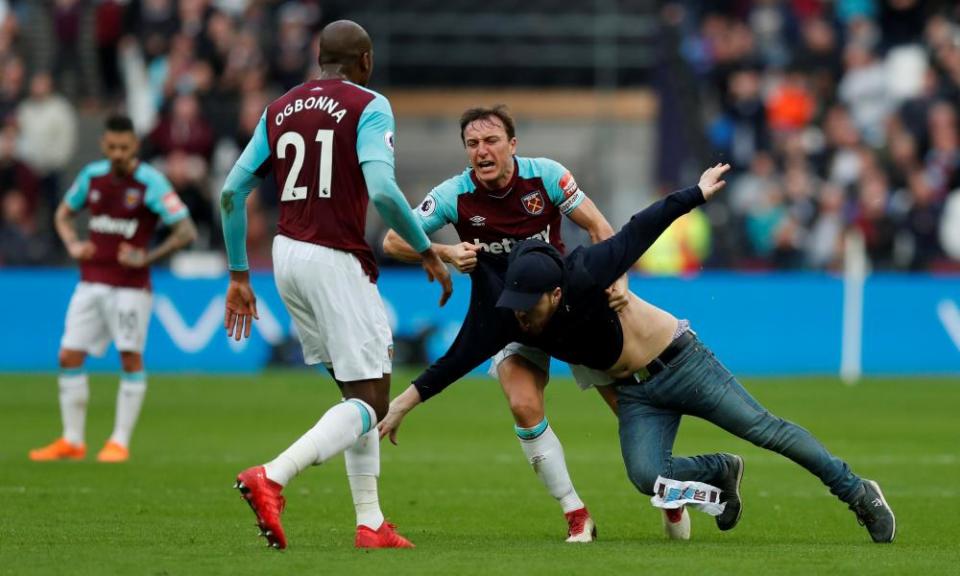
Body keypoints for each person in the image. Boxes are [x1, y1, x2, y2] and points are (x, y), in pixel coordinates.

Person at [382, 164, 896, 544]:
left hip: (683, 363)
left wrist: (695, 192)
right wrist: (404, 403)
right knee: (648, 478)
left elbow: (640, 228)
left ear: (556, 293)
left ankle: (857, 491)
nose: (519, 316)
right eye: (514, 305)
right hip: (637, 394)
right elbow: (456, 360)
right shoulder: (507, 312)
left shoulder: (585, 273)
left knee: (768, 430)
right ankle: (720, 469)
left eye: (528, 306)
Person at [220, 20, 452, 551]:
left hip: (286, 256)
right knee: (372, 399)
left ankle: (370, 523)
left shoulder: (278, 108)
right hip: (334, 258)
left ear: (318, 58)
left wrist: (238, 272)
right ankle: (272, 477)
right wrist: (426, 248)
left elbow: (233, 191)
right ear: (365, 60)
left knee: (355, 391)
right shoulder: (369, 104)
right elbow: (385, 191)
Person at [382, 105, 627, 542]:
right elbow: (392, 239)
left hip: (564, 309)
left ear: (512, 144)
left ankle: (665, 487)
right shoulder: (454, 194)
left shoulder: (546, 176)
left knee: (626, 408)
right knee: (522, 404)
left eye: (491, 141)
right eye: (473, 144)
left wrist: (618, 281)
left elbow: (600, 228)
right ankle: (576, 513)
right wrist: (444, 252)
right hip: (509, 318)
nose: (482, 151)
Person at [29, 115, 197, 463]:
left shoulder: (150, 182)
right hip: (91, 282)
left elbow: (186, 231)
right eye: (112, 147)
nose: (118, 153)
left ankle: (119, 441)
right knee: (68, 355)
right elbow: (62, 214)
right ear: (104, 145)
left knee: (129, 357)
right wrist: (73, 244)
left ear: (135, 146)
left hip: (130, 289)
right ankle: (72, 440)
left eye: (125, 147)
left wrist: (148, 257)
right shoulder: (92, 177)